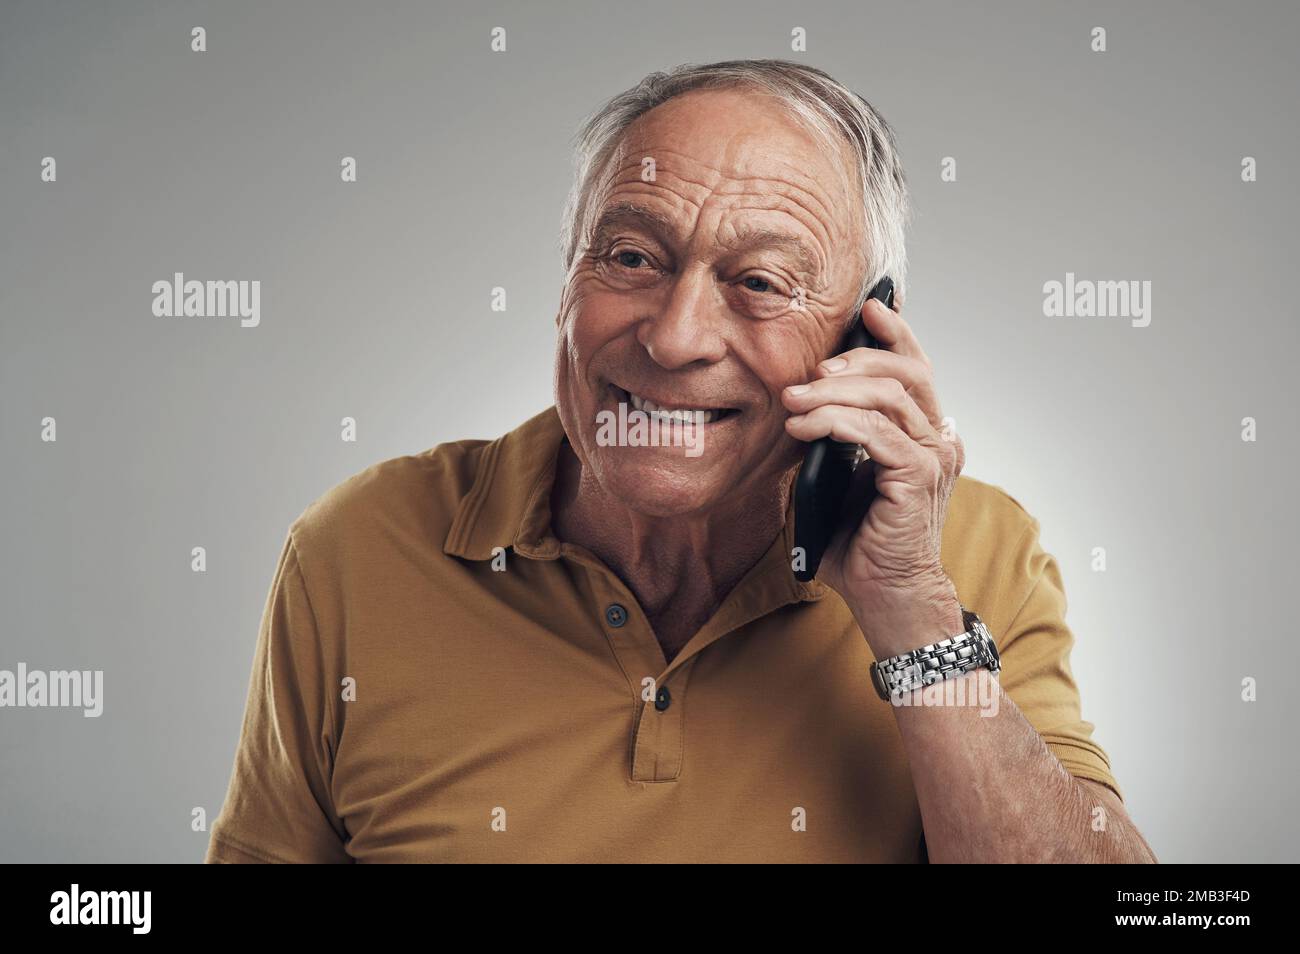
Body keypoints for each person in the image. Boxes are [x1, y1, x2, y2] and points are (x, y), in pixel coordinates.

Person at [206, 59, 1156, 863]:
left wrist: (912, 613)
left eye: (759, 282)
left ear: (865, 337)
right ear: (567, 281)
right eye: (630, 257)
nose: (674, 337)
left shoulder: (974, 549)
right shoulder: (360, 547)